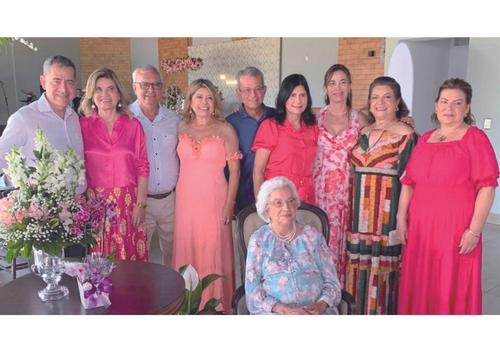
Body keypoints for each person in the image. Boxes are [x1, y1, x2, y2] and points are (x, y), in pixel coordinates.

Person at [397, 78, 499, 315]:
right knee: (420, 281)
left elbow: (488, 187)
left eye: (457, 103)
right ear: (436, 105)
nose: (449, 108)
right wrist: (401, 218)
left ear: (467, 107)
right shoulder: (425, 138)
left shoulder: (475, 138)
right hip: (421, 228)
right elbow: (409, 182)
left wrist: (474, 230)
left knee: (450, 284)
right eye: (444, 101)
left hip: (454, 228)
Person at [345, 76, 416, 315]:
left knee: (384, 277)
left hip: (385, 218)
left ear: (397, 102)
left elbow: (409, 181)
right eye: (375, 97)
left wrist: (400, 219)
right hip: (358, 218)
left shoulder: (406, 134)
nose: (380, 102)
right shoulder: (363, 132)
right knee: (357, 273)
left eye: (387, 97)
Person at [172, 78, 241, 314]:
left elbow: (235, 171)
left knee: (213, 247)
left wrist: (229, 203)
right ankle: (188, 301)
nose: (204, 102)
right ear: (190, 101)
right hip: (185, 199)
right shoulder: (180, 127)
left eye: (209, 97)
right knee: (187, 244)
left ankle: (216, 303)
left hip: (215, 198)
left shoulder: (225, 130)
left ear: (215, 102)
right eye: (199, 97)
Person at [79, 67, 149, 261]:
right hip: (96, 205)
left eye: (110, 89)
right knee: (100, 262)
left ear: (118, 93)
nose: (105, 94)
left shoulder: (133, 125)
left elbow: (143, 167)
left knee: (130, 261)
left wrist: (141, 204)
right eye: (98, 89)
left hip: (128, 204)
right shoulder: (82, 126)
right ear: (91, 95)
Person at [245, 176, 341, 315]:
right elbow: (252, 292)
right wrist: (285, 310)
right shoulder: (259, 240)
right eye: (278, 203)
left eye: (291, 201)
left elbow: (332, 282)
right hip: (276, 313)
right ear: (267, 209)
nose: (286, 208)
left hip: (315, 313)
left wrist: (322, 304)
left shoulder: (313, 236)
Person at [313, 64, 367, 287]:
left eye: (343, 82)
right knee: (317, 240)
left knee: (342, 247)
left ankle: (339, 295)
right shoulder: (315, 115)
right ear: (325, 88)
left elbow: (383, 132)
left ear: (350, 86)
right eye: (332, 83)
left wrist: (404, 121)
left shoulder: (359, 119)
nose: (338, 88)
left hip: (347, 194)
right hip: (318, 193)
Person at [0, 55, 85, 194]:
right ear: (43, 81)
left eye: (69, 82)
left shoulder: (73, 117)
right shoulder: (24, 118)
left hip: (78, 208)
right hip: (43, 211)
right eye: (56, 81)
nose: (63, 89)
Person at [129, 65, 179, 266]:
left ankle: (173, 295)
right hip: (139, 202)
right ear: (134, 87)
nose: (151, 89)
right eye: (145, 85)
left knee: (174, 254)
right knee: (140, 256)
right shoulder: (126, 119)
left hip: (171, 200)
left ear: (162, 87)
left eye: (156, 84)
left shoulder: (174, 119)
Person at [252, 74, 318, 204]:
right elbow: (258, 172)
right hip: (278, 200)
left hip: (307, 199)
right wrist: (261, 205)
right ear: (284, 97)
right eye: (292, 95)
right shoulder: (270, 126)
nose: (298, 101)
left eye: (302, 95)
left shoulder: (313, 127)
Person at [226, 66, 275, 212]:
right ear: (238, 93)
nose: (253, 94)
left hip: (275, 196)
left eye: (258, 88)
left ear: (265, 90)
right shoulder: (229, 123)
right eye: (247, 90)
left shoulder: (277, 117)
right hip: (242, 199)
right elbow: (225, 168)